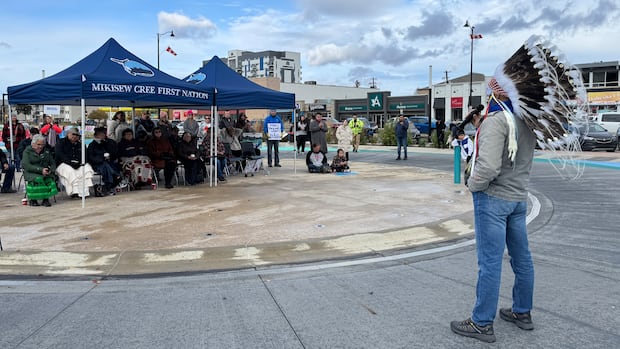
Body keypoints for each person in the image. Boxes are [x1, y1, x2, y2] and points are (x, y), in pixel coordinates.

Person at [450, 35, 589, 343]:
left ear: (496, 93)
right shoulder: (526, 122)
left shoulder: (497, 121)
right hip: (518, 199)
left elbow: (486, 168)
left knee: (489, 262)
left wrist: (474, 186)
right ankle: (521, 311)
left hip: (494, 200)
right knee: (521, 258)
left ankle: (481, 322)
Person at [55, 127, 94, 198]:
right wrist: (70, 163)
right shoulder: (61, 142)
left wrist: (80, 163)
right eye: (73, 134)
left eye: (77, 135)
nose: (75, 136)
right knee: (70, 171)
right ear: (68, 134)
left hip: (78, 163)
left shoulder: (81, 144)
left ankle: (83, 193)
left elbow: (85, 156)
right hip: (64, 163)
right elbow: (60, 154)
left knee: (86, 169)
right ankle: (74, 192)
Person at [21, 134, 57, 206]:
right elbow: (26, 165)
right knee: (38, 179)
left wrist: (50, 170)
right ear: (33, 144)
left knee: (49, 179)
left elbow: (53, 163)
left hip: (45, 172)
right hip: (31, 172)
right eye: (38, 144)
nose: (40, 146)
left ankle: (45, 199)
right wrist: (40, 170)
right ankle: (33, 199)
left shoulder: (46, 151)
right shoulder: (27, 152)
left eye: (42, 145)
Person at [87, 127, 121, 196]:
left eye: (103, 134)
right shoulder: (92, 145)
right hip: (98, 164)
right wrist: (102, 158)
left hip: (111, 162)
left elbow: (116, 153)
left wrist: (106, 145)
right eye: (100, 135)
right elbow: (91, 157)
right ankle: (111, 182)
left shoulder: (110, 142)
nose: (102, 136)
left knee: (108, 166)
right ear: (96, 136)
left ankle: (106, 187)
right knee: (105, 166)